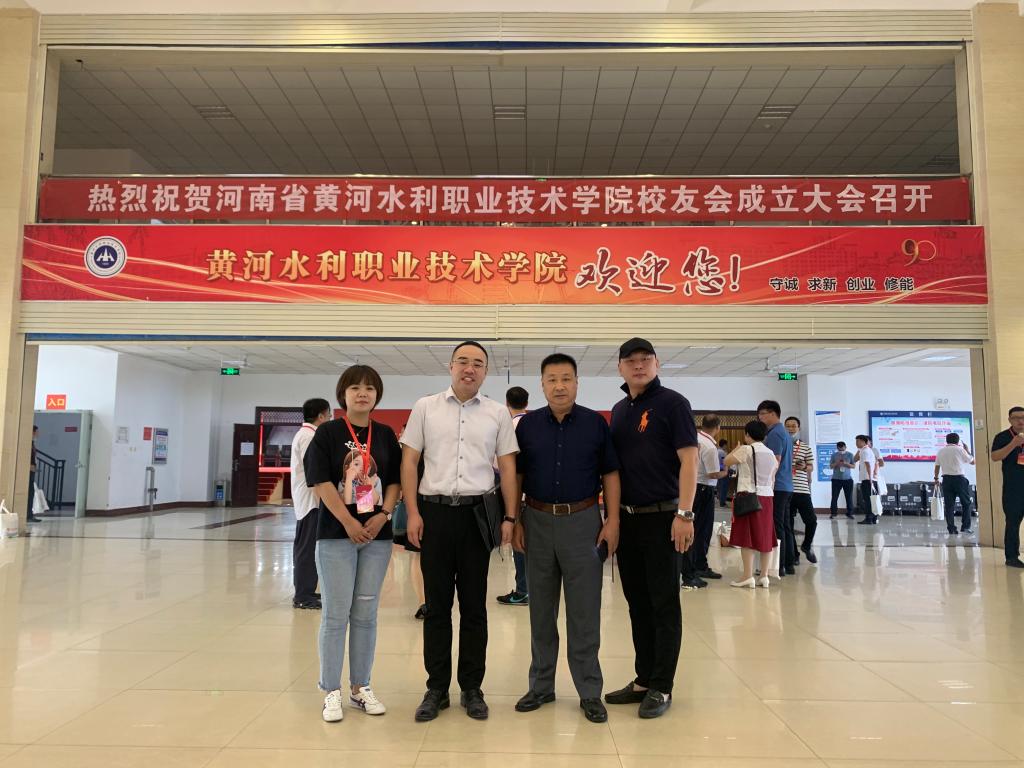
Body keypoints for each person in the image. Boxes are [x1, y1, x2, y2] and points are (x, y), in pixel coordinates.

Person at [401, 341, 520, 722]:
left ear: (486, 371)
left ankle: (472, 688)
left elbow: (508, 468)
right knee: (436, 607)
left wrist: (510, 518)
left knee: (473, 608)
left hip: (476, 518)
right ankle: (436, 688)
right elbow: (409, 462)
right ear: (450, 366)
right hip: (433, 515)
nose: (470, 369)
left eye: (478, 363)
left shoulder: (497, 413)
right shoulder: (425, 407)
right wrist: (412, 512)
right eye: (463, 362)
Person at [512, 353, 620, 724]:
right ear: (542, 385)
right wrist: (516, 519)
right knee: (541, 610)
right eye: (552, 379)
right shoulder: (527, 426)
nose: (559, 386)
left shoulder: (595, 424)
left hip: (584, 522)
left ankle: (589, 691)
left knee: (584, 612)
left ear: (576, 382)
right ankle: (541, 686)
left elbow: (610, 474)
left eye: (566, 379)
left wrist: (612, 520)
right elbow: (517, 477)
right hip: (537, 520)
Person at [606, 338, 697, 720]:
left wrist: (685, 514)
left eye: (646, 359)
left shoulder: (673, 403)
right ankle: (644, 679)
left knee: (663, 604)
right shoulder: (620, 409)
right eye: (631, 361)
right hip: (628, 519)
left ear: (658, 363)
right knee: (637, 603)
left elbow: (689, 460)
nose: (639, 366)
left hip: (664, 518)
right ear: (620, 368)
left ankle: (662, 684)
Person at [305, 365, 402, 723]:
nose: (363, 394)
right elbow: (320, 481)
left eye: (370, 388)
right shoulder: (328, 433)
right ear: (342, 394)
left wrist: (384, 515)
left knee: (365, 613)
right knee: (335, 614)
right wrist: (348, 522)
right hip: (336, 535)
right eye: (355, 388)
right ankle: (330, 690)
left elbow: (395, 481)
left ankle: (360, 687)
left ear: (377, 395)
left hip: (376, 537)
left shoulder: (385, 435)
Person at [724, 420, 778, 587]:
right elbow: (772, 478)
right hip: (767, 497)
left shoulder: (747, 449)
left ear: (747, 434)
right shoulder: (771, 453)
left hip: (748, 496)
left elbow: (726, 461)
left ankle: (747, 576)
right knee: (765, 535)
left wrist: (736, 449)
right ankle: (764, 576)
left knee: (747, 535)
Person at [290, 398, 331, 610]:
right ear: (321, 416)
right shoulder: (308, 436)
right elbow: (312, 472)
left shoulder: (306, 434)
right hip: (311, 502)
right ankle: (303, 595)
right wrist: (326, 500)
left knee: (309, 548)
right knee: (306, 549)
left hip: (310, 500)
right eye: (329, 415)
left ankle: (306, 589)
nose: (330, 418)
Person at [680, 414, 727, 588]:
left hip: (691, 488)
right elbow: (713, 474)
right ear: (718, 427)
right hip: (703, 489)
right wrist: (726, 469)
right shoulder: (709, 446)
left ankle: (697, 565)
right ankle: (694, 569)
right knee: (701, 531)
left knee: (695, 529)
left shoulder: (696, 439)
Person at [497, 385, 530, 607]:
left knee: (519, 541)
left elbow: (504, 467)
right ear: (527, 403)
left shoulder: (510, 427)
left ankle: (523, 590)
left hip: (518, 495)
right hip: (534, 495)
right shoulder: (534, 425)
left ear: (507, 402)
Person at [758, 400, 795, 576]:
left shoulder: (774, 434)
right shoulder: (784, 433)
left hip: (777, 486)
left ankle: (777, 565)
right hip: (786, 485)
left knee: (776, 526)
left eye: (762, 414)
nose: (760, 417)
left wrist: (767, 484)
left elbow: (775, 461)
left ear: (773, 413)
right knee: (785, 526)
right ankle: (788, 563)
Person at [990, 406, 1024, 568]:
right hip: (1013, 489)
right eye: (1016, 418)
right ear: (1010, 420)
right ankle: (1012, 557)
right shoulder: (1003, 437)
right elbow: (995, 456)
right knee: (1012, 523)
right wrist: (1013, 444)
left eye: (1023, 417)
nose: (1020, 421)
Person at [785, 416, 817, 564]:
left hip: (802, 489)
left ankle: (806, 545)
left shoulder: (805, 447)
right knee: (788, 524)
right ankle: (794, 554)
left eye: (793, 426)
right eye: (788, 426)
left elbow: (811, 467)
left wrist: (804, 467)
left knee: (811, 521)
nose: (791, 429)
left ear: (799, 428)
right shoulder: (781, 445)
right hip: (785, 490)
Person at [934, 432, 976, 536]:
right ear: (957, 441)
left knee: (949, 505)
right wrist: (967, 450)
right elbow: (972, 462)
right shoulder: (960, 450)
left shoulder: (941, 451)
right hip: (959, 479)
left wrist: (936, 478)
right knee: (966, 503)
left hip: (946, 480)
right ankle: (965, 527)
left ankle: (951, 528)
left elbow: (937, 466)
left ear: (947, 440)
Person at [853, 434, 878, 524]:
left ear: (863, 442)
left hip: (868, 479)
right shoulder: (867, 450)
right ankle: (873, 518)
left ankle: (868, 518)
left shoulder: (865, 451)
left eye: (858, 441)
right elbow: (854, 459)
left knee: (868, 500)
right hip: (870, 479)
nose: (856, 443)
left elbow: (868, 465)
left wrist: (870, 478)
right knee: (872, 499)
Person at [829, 441, 855, 519]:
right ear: (837, 448)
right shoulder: (834, 455)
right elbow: (831, 466)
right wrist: (836, 463)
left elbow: (853, 466)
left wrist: (846, 463)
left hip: (848, 479)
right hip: (836, 479)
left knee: (849, 497)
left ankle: (850, 513)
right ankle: (833, 513)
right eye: (839, 449)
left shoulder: (850, 455)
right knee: (834, 497)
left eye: (842, 449)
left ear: (845, 447)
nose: (841, 451)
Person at [27, 425, 40, 523]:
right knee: (29, 493)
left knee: (31, 493)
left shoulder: (32, 443)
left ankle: (29, 514)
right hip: (29, 470)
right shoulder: (28, 444)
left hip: (32, 470)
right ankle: (28, 515)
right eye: (36, 432)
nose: (38, 434)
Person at [717, 438, 731, 508]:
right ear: (724, 445)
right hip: (723, 470)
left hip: (718, 470)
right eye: (726, 445)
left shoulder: (717, 451)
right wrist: (725, 468)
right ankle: (722, 502)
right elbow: (723, 463)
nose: (727, 446)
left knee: (720, 486)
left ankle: (720, 499)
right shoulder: (722, 452)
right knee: (724, 487)